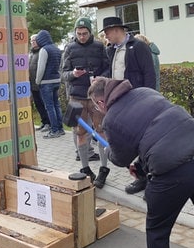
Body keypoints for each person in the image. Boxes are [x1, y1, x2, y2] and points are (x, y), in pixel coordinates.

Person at [88, 76, 194, 248]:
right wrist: (140, 166)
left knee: (157, 232)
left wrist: (108, 148)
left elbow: (120, 158)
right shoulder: (146, 92)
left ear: (101, 102)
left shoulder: (111, 118)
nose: (99, 110)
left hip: (174, 174)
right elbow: (158, 132)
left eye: (97, 107)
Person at [101, 16, 156, 195]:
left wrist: (149, 99)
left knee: (145, 140)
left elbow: (149, 73)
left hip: (139, 101)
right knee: (132, 139)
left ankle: (150, 180)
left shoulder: (138, 47)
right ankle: (140, 176)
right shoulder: (111, 50)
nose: (106, 36)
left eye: (107, 32)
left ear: (117, 30)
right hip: (120, 102)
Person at [61, 17, 111, 188]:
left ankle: (104, 169)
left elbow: (108, 67)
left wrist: (100, 78)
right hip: (77, 97)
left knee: (102, 131)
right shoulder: (69, 48)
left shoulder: (99, 46)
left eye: (85, 33)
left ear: (90, 32)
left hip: (96, 96)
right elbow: (63, 74)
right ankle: (85, 168)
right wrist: (73, 75)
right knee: (80, 133)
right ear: (75, 33)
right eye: (79, 33)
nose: (82, 36)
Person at [35, 30, 65, 138]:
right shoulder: (56, 49)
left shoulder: (44, 49)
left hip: (46, 82)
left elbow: (41, 67)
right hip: (56, 80)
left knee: (49, 106)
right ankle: (61, 128)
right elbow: (60, 66)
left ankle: (54, 130)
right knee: (56, 105)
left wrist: (37, 81)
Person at [29, 34, 51, 131]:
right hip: (33, 84)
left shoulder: (42, 52)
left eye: (34, 40)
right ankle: (44, 121)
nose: (33, 42)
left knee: (45, 104)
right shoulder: (31, 54)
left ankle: (49, 123)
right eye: (31, 41)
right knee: (38, 105)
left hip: (41, 84)